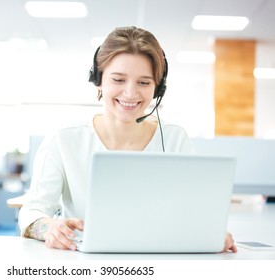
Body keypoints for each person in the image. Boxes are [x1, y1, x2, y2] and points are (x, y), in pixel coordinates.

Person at [18, 26, 237, 253]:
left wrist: (211, 234)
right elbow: (32, 211)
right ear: (99, 79)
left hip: (160, 259)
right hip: (85, 262)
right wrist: (50, 228)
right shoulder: (64, 139)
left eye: (144, 83)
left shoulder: (174, 139)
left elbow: (194, 211)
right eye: (119, 79)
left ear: (158, 88)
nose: (131, 93)